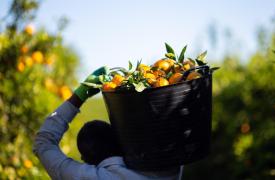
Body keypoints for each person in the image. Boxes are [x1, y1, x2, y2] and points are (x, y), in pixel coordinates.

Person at [33, 67, 183, 180]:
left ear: (86, 161)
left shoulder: (87, 177)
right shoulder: (165, 170)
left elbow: (43, 143)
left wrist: (80, 94)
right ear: (121, 142)